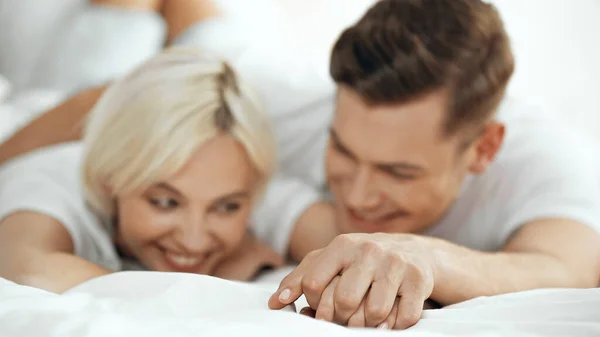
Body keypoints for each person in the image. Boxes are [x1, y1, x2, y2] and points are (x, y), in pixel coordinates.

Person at [2, 0, 600, 330]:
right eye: (341, 150)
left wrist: (426, 254)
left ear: (484, 149)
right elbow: (100, 102)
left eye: (398, 172)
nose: (360, 195)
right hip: (206, 55)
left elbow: (567, 269)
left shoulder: (549, 166)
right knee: (185, 23)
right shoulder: (276, 98)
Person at [0, 47, 281, 293]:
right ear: (110, 179)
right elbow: (26, 268)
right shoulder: (51, 184)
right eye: (165, 203)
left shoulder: (242, 170)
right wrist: (209, 288)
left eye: (226, 207)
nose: (193, 242)